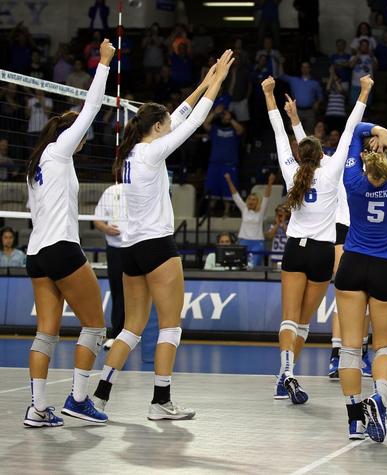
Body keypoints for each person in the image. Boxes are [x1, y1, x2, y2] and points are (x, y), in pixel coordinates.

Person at [92, 49, 235, 420]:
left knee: (132, 327)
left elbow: (180, 114)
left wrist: (204, 80)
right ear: (156, 128)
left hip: (129, 250)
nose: (170, 125)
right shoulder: (153, 153)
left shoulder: (129, 154)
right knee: (171, 325)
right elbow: (194, 118)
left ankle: (99, 395)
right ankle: (160, 401)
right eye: (165, 124)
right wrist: (218, 82)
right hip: (157, 246)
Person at [22, 39, 115, 428]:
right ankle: (79, 399)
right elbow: (92, 108)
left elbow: (32, 213)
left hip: (36, 254)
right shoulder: (60, 150)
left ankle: (38, 409)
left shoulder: (37, 166)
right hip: (60, 247)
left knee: (47, 332)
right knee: (95, 326)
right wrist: (105, 64)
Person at [263, 74, 372, 404]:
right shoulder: (332, 170)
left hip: (296, 249)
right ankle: (286, 375)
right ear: (322, 153)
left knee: (288, 318)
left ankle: (286, 375)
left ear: (300, 155)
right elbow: (351, 126)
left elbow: (279, 134)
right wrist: (364, 90)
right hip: (324, 252)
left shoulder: (292, 172)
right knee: (304, 324)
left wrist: (270, 96)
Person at [283, 96, 374, 382]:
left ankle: (352, 349)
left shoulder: (356, 170)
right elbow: (339, 134)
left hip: (336, 233)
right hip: (334, 233)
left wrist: (294, 118)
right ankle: (341, 353)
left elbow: (306, 149)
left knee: (355, 294)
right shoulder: (332, 167)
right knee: (345, 292)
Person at [335, 119, 387, 443]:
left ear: (366, 160)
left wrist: (375, 133)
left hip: (352, 264)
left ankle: (354, 420)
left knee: (350, 348)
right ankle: (378, 401)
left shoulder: (353, 181)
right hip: (386, 268)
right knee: (385, 346)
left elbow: (355, 131)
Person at [93, 183, 127, 350]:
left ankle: (135, 333)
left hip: (136, 246)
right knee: (117, 292)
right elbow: (97, 219)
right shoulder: (111, 191)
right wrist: (106, 228)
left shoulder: (143, 186)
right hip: (115, 249)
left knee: (138, 291)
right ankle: (116, 334)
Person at [225, 173, 275, 268]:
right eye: (249, 199)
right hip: (243, 241)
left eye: (254, 200)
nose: (251, 201)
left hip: (257, 242)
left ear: (257, 202)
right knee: (242, 266)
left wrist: (270, 183)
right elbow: (235, 195)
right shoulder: (244, 209)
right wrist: (229, 180)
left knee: (252, 265)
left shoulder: (261, 211)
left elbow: (266, 197)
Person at [203, 104, 244, 217]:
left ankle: (227, 212)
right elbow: (205, 124)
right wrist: (215, 113)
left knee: (228, 189)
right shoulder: (215, 128)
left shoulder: (234, 129)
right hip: (215, 164)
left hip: (229, 165)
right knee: (212, 188)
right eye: (223, 116)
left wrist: (230, 119)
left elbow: (241, 130)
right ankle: (210, 212)